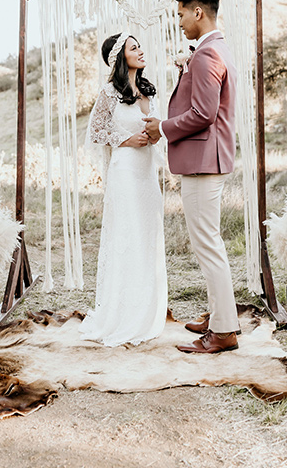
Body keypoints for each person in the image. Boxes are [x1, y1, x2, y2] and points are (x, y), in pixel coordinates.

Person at [144, 0, 240, 354]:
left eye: (181, 13)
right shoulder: (218, 48)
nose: (180, 21)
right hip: (208, 158)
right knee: (209, 243)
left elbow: (203, 114)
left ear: (197, 11)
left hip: (203, 161)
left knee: (207, 246)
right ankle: (220, 316)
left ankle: (224, 332)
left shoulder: (206, 55)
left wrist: (162, 128)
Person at [79, 32, 167, 347]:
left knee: (147, 236)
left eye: (140, 45)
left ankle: (146, 311)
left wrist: (156, 136)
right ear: (119, 57)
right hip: (126, 171)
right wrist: (126, 139)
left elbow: (155, 127)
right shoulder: (109, 93)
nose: (141, 50)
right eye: (134, 47)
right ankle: (122, 314)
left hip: (147, 172)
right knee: (127, 237)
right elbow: (96, 130)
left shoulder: (147, 89)